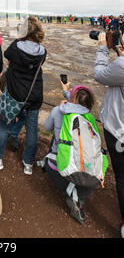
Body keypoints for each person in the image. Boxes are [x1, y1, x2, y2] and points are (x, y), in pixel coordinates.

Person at [0, 16, 46, 174]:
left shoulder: (16, 46)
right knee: (32, 130)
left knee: (4, 124)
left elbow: (8, 58)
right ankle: (28, 164)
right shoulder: (42, 51)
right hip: (34, 94)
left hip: (15, 92)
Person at [42, 83, 98, 224]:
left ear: (71, 99)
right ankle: (77, 197)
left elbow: (46, 127)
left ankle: (68, 189)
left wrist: (59, 108)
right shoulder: (90, 118)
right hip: (88, 180)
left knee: (58, 137)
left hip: (58, 171)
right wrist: (65, 90)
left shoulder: (58, 111)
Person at [94, 32, 124, 238]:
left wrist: (103, 48)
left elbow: (100, 74)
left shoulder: (122, 65)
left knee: (122, 177)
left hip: (119, 130)